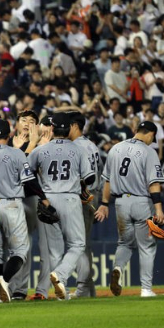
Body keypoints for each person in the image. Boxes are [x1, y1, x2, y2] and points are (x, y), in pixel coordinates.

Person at [95, 121, 164, 298]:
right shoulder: (149, 151)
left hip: (120, 203)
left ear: (136, 131)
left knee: (125, 243)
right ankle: (146, 289)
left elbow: (107, 180)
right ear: (150, 134)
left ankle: (118, 268)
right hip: (141, 202)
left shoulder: (116, 148)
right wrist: (158, 209)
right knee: (147, 246)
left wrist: (104, 204)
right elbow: (154, 183)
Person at [28, 113, 95, 300]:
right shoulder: (78, 149)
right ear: (69, 129)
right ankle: (61, 276)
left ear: (52, 128)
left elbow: (27, 174)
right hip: (70, 198)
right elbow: (90, 178)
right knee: (77, 244)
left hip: (48, 199)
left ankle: (60, 292)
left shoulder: (41, 150)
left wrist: (41, 195)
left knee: (55, 250)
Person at [0, 120, 44, 303]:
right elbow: (29, 181)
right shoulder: (16, 153)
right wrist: (44, 199)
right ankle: (4, 281)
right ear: (9, 135)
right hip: (11, 206)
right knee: (20, 251)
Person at [68, 111, 101, 298]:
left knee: (79, 245)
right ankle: (90, 290)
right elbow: (101, 173)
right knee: (84, 245)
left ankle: (82, 290)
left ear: (74, 126)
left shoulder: (75, 147)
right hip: (93, 195)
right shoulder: (92, 145)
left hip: (83, 196)